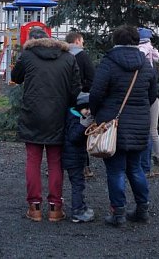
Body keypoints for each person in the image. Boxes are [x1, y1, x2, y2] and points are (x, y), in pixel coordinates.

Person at [90, 25, 157, 226]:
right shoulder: (146, 65)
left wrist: (97, 114)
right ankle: (142, 209)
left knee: (116, 170)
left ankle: (118, 213)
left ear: (115, 40)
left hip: (113, 123)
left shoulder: (109, 63)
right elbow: (152, 95)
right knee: (135, 168)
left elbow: (96, 93)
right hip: (139, 124)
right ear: (137, 41)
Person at [12, 27, 81, 222]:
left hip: (32, 113)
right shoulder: (68, 58)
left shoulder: (27, 56)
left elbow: (16, 77)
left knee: (33, 160)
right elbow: (75, 89)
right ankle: (55, 208)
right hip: (58, 115)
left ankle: (34, 207)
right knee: (55, 161)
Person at [65, 30, 96, 178]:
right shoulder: (82, 56)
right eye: (82, 40)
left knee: (64, 131)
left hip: (63, 100)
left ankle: (60, 164)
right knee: (82, 131)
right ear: (77, 40)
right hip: (81, 101)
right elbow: (92, 79)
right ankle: (85, 166)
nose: (83, 43)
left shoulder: (61, 55)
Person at [137, 27, 159, 178]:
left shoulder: (140, 55)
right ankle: (157, 161)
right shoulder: (153, 56)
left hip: (147, 99)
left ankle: (155, 162)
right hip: (152, 98)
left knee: (150, 131)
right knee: (152, 131)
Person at [63, 92, 94, 223]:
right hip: (73, 159)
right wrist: (83, 126)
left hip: (76, 157)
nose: (88, 112)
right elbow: (74, 137)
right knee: (78, 184)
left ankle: (81, 206)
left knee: (79, 183)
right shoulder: (75, 119)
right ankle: (77, 211)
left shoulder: (76, 117)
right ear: (78, 108)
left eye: (90, 109)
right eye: (85, 108)